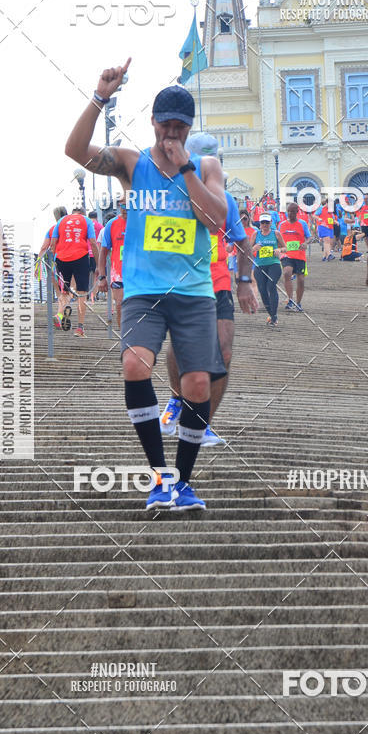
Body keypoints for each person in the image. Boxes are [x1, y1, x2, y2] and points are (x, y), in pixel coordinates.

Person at [66, 61, 254, 512]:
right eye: (165, 126)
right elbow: (74, 150)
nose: (171, 135)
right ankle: (159, 477)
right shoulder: (133, 164)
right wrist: (99, 97)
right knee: (134, 365)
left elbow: (214, 220)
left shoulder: (206, 166)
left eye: (180, 128)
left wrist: (186, 168)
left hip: (193, 293)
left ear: (190, 129)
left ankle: (183, 484)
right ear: (152, 123)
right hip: (144, 292)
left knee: (195, 383)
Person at [160, 134, 257, 447]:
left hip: (217, 282)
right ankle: (177, 398)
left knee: (224, 352)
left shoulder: (224, 198)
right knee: (181, 346)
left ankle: (201, 425)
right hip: (181, 282)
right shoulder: (170, 194)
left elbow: (243, 241)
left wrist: (244, 282)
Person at [50, 207, 99, 337]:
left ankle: (60, 314)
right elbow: (93, 243)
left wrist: (55, 260)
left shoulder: (61, 220)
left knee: (65, 290)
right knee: (82, 293)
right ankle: (80, 328)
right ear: (82, 214)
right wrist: (99, 264)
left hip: (62, 258)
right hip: (80, 257)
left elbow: (53, 243)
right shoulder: (86, 220)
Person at [252, 213, 286, 328]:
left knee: (271, 286)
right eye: (263, 223)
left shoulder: (275, 233)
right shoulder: (255, 234)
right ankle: (271, 315)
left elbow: (285, 247)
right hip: (260, 266)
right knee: (262, 290)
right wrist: (253, 248)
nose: (265, 225)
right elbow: (246, 250)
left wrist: (279, 250)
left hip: (274, 264)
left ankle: (274, 316)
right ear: (260, 224)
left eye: (267, 222)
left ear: (271, 223)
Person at [96, 206, 127, 329]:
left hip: (141, 275)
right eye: (123, 205)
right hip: (118, 274)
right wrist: (102, 277)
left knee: (140, 309)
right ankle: (125, 341)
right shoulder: (112, 224)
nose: (125, 209)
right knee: (120, 306)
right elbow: (103, 252)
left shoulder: (143, 220)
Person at [279, 201, 311, 312]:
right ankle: (290, 300)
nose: (290, 214)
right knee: (287, 272)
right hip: (287, 255)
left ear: (297, 212)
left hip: (300, 255)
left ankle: (298, 303)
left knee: (301, 280)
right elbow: (278, 238)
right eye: (288, 211)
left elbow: (309, 237)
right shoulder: (282, 225)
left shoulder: (302, 224)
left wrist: (305, 243)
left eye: (292, 212)